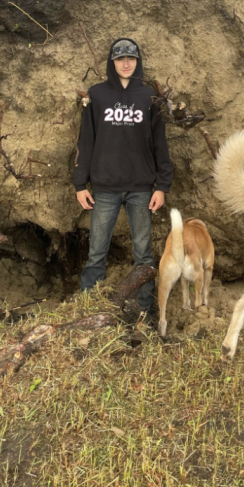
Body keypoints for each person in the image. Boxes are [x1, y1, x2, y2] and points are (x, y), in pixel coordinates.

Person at [74, 38, 173, 316]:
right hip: (104, 188)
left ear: (138, 61)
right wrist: (80, 184)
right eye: (120, 59)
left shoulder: (149, 97)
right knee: (96, 254)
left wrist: (162, 186)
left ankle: (145, 312)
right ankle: (87, 310)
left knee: (143, 254)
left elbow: (159, 144)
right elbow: (86, 141)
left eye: (131, 58)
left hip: (141, 188)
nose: (126, 64)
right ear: (112, 62)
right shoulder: (97, 95)